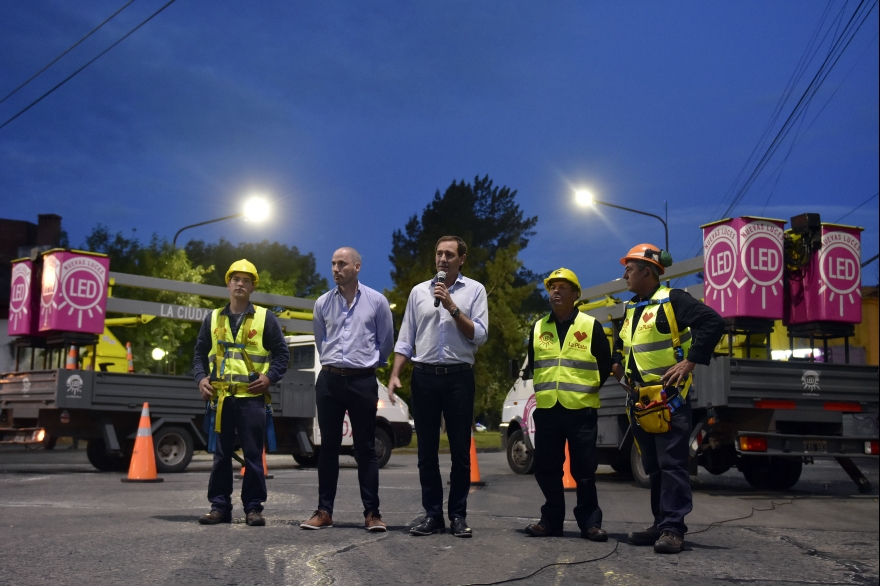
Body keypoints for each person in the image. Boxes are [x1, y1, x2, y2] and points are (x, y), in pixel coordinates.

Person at [612, 244, 724, 554]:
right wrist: (620, 373)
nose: (624, 275)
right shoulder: (630, 308)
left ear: (647, 272)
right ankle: (661, 523)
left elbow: (713, 323)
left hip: (669, 400)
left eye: (629, 269)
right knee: (655, 467)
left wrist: (690, 361)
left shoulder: (674, 301)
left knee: (672, 465)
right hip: (640, 403)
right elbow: (620, 350)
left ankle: (674, 529)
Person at [387, 235, 488, 538]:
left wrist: (452, 307)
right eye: (438, 253)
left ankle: (458, 515)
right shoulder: (419, 292)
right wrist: (395, 374)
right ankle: (433, 515)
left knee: (459, 450)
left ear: (462, 259)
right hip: (424, 377)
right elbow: (406, 339)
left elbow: (479, 335)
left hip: (459, 376)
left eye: (449, 254)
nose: (442, 259)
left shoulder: (475, 291)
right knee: (426, 452)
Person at [300, 247, 394, 532]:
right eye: (332, 263)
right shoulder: (322, 303)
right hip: (329, 380)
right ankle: (324, 511)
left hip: (362, 381)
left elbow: (386, 341)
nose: (335, 269)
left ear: (357, 267)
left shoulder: (377, 302)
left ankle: (372, 513)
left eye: (342, 264)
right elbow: (321, 340)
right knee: (328, 447)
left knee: (365, 447)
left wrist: (366, 366)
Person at [193, 259, 290, 526]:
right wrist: (201, 378)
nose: (240, 283)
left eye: (246, 280)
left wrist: (269, 378)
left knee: (252, 455)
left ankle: (253, 508)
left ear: (252, 287)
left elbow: (282, 355)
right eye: (236, 279)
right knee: (221, 456)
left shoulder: (265, 318)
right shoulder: (212, 318)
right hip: (221, 399)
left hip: (251, 400)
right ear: (228, 284)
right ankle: (219, 507)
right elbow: (200, 354)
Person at [522, 268, 612, 541]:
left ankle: (590, 523)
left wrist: (587, 391)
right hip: (548, 410)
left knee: (584, 470)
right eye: (552, 287)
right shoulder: (538, 327)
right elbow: (535, 365)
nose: (556, 291)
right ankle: (551, 521)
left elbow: (605, 364)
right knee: (547, 469)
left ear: (575, 295)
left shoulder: (590, 325)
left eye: (563, 287)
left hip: (581, 410)